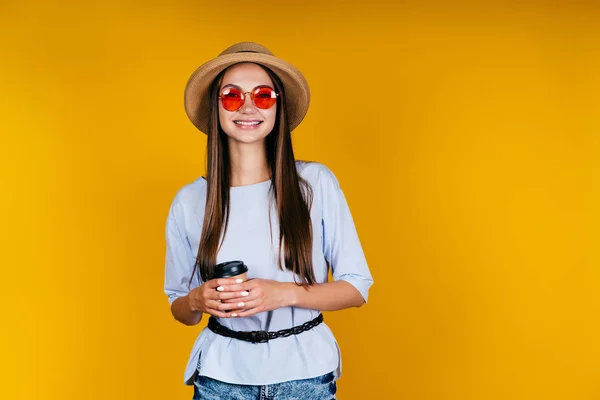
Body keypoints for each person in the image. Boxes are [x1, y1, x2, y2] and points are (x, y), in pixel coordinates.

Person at [164, 42, 374, 400]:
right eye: (232, 96)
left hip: (305, 376)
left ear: (278, 107)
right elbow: (180, 308)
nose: (247, 107)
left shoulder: (314, 184)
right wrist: (198, 299)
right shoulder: (189, 201)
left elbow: (357, 288)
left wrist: (283, 294)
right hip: (220, 378)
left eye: (263, 96)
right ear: (216, 108)